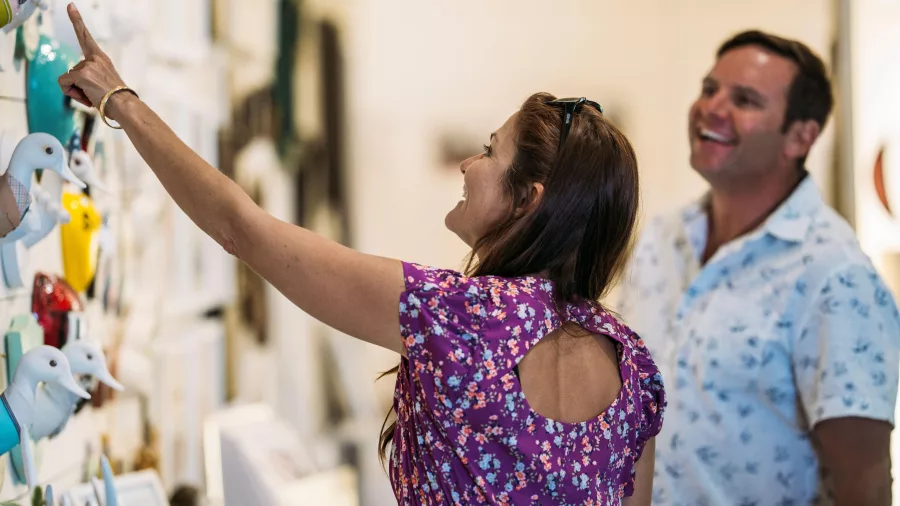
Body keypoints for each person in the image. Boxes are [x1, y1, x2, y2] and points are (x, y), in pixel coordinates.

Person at [58, 5, 665, 505]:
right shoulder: (632, 368)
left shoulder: (457, 317)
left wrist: (122, 101)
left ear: (527, 201)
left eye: (489, 151)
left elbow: (242, 229)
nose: (467, 164)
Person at [615, 29, 900, 506]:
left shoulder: (835, 274)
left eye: (744, 99)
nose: (711, 108)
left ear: (800, 136)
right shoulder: (661, 237)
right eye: (709, 89)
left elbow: (865, 482)